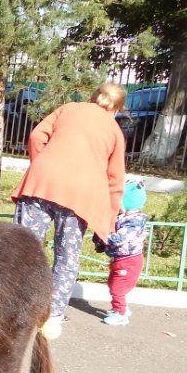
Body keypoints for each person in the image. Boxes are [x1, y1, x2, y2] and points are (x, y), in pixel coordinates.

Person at [11, 83, 127, 340]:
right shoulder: (114, 131)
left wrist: (44, 163)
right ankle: (52, 315)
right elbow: (115, 179)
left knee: (23, 246)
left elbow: (36, 137)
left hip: (41, 183)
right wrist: (108, 220)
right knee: (67, 256)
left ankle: (14, 306)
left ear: (94, 95)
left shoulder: (69, 108)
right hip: (81, 196)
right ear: (117, 108)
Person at [93, 180, 148, 326]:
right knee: (113, 285)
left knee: (117, 288)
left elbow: (120, 238)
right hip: (120, 260)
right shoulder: (125, 218)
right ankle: (121, 307)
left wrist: (104, 234)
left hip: (129, 262)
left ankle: (121, 314)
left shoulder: (133, 222)